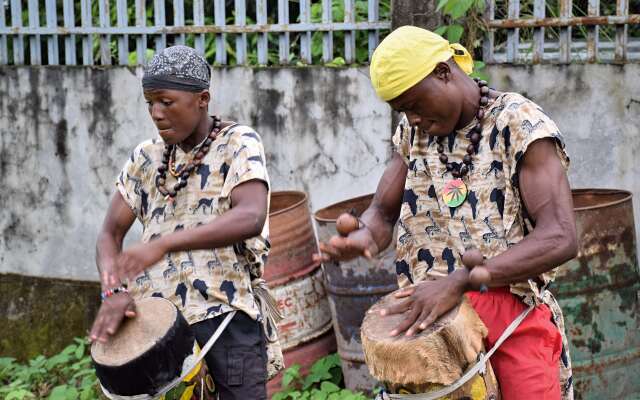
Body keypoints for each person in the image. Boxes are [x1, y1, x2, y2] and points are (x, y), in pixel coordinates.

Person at [314, 26, 577, 400]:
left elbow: (561, 236)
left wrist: (462, 281)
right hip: (433, 328)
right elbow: (383, 213)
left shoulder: (519, 124)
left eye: (415, 105)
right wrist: (365, 235)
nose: (413, 118)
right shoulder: (413, 134)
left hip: (510, 320)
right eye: (402, 110)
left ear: (443, 71)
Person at [89, 45, 281, 400]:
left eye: (166, 101)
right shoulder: (146, 158)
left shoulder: (237, 143)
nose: (156, 113)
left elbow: (251, 215)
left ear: (202, 99)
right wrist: (113, 290)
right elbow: (109, 234)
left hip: (226, 320)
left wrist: (164, 243)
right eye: (149, 103)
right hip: (158, 330)